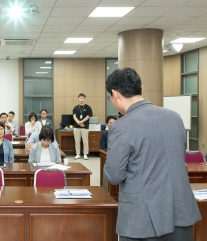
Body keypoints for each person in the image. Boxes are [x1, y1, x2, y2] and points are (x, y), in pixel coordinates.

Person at [104, 68, 201, 241]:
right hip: (180, 211)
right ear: (140, 87)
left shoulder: (121, 126)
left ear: (115, 94)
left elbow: (114, 175)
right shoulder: (175, 118)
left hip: (141, 220)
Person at [72, 93, 93, 160]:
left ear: (85, 99)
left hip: (85, 127)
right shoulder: (75, 107)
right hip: (76, 127)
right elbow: (74, 116)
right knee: (77, 141)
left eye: (83, 98)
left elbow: (88, 116)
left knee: (85, 141)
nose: (81, 100)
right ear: (78, 99)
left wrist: (82, 121)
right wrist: (78, 122)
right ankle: (78, 154)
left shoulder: (88, 107)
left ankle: (85, 154)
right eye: (80, 98)